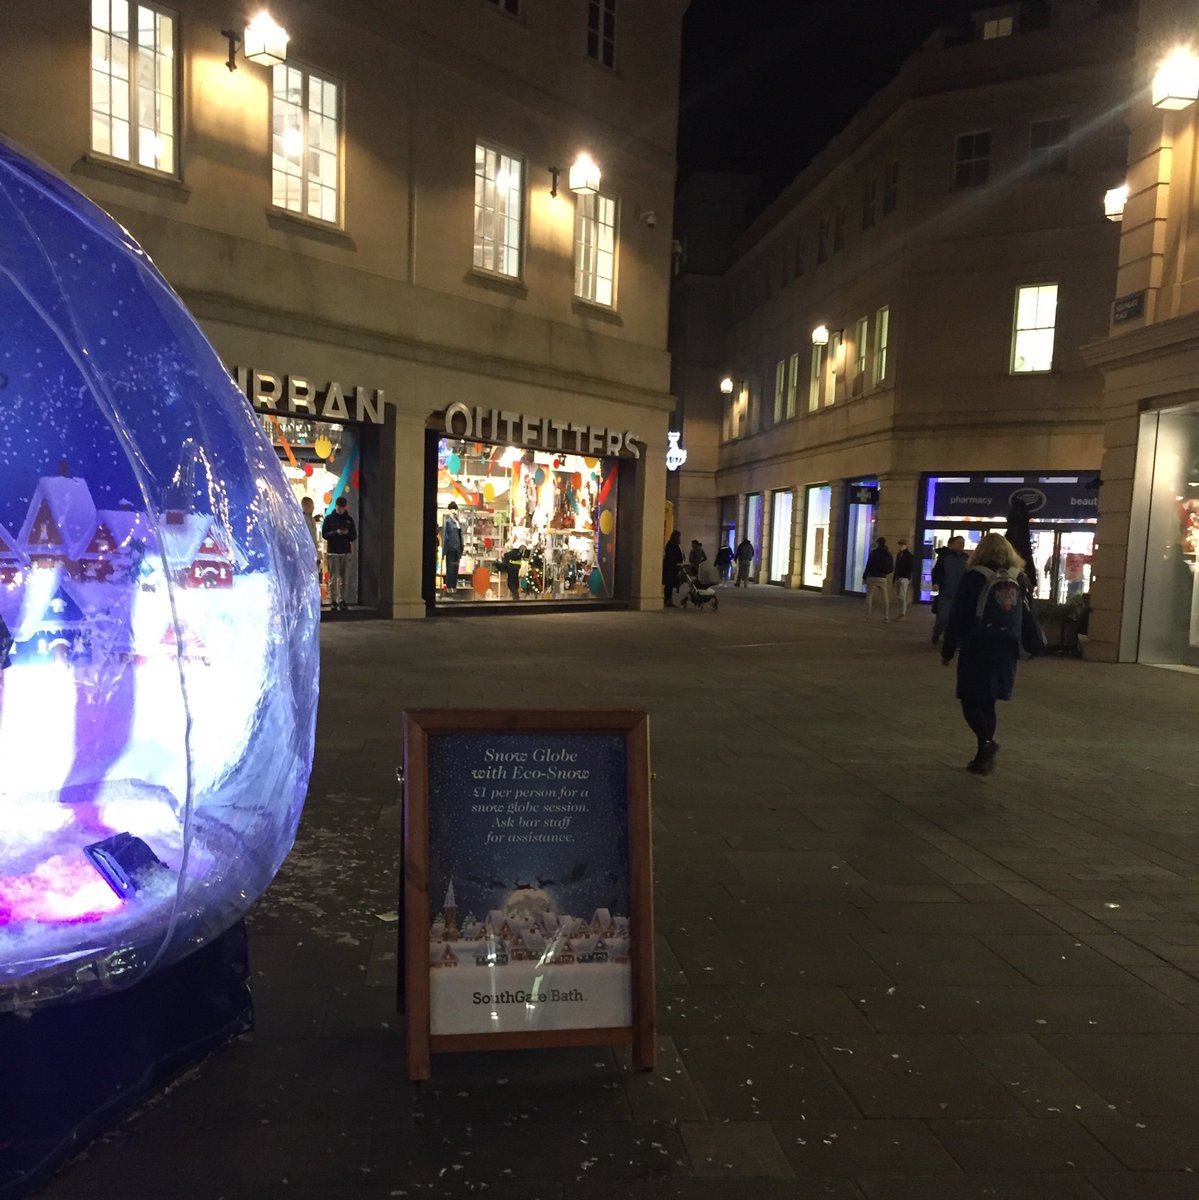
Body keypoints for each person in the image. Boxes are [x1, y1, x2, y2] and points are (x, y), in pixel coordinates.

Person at [940, 531, 1031, 774]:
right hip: (1007, 647)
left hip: (977, 645)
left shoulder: (974, 577)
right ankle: (983, 755)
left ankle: (986, 745)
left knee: (970, 699)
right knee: (989, 701)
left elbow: (958, 615)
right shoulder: (1019, 577)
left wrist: (948, 649)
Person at [321, 495, 357, 612]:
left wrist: (346, 533)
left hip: (345, 552)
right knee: (333, 578)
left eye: (342, 508)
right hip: (333, 552)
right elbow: (325, 534)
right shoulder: (329, 519)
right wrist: (336, 532)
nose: (340, 509)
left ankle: (342, 600)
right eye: (338, 507)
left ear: (344, 507)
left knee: (344, 578)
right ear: (335, 506)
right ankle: (333, 601)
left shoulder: (349, 520)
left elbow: (354, 536)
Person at [931, 535, 968, 645]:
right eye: (959, 542)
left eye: (963, 543)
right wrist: (936, 583)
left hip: (960, 596)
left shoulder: (966, 559)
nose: (961, 545)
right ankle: (936, 633)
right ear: (951, 544)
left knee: (957, 620)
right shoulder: (944, 558)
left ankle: (952, 640)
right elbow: (937, 572)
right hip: (945, 594)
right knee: (943, 618)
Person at [862, 536, 894, 622]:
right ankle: (886, 617)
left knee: (869, 597)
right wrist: (885, 573)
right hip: (882, 578)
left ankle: (868, 616)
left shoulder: (874, 553)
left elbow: (868, 565)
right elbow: (891, 567)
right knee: (885, 598)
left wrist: (864, 576)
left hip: (872, 577)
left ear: (878, 543)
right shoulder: (887, 554)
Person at [441, 501, 463, 595]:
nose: (454, 511)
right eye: (452, 509)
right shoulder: (448, 522)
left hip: (457, 549)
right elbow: (445, 537)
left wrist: (461, 548)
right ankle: (449, 587)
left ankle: (454, 587)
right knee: (450, 568)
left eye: (455, 509)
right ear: (449, 510)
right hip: (450, 548)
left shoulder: (457, 522)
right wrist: (443, 552)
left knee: (455, 568)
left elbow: (460, 536)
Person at [892, 538, 914, 619]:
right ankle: (901, 611)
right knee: (899, 595)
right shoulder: (899, 555)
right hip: (899, 576)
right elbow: (896, 567)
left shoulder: (908, 555)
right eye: (900, 545)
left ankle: (903, 612)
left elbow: (911, 567)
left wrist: (907, 576)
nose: (901, 546)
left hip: (904, 577)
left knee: (902, 595)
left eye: (902, 545)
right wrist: (894, 579)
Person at [662, 530, 684, 606]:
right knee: (669, 585)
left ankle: (668, 599)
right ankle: (668, 600)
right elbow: (671, 556)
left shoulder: (673, 544)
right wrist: (676, 562)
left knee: (670, 585)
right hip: (670, 568)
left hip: (673, 568)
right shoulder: (671, 545)